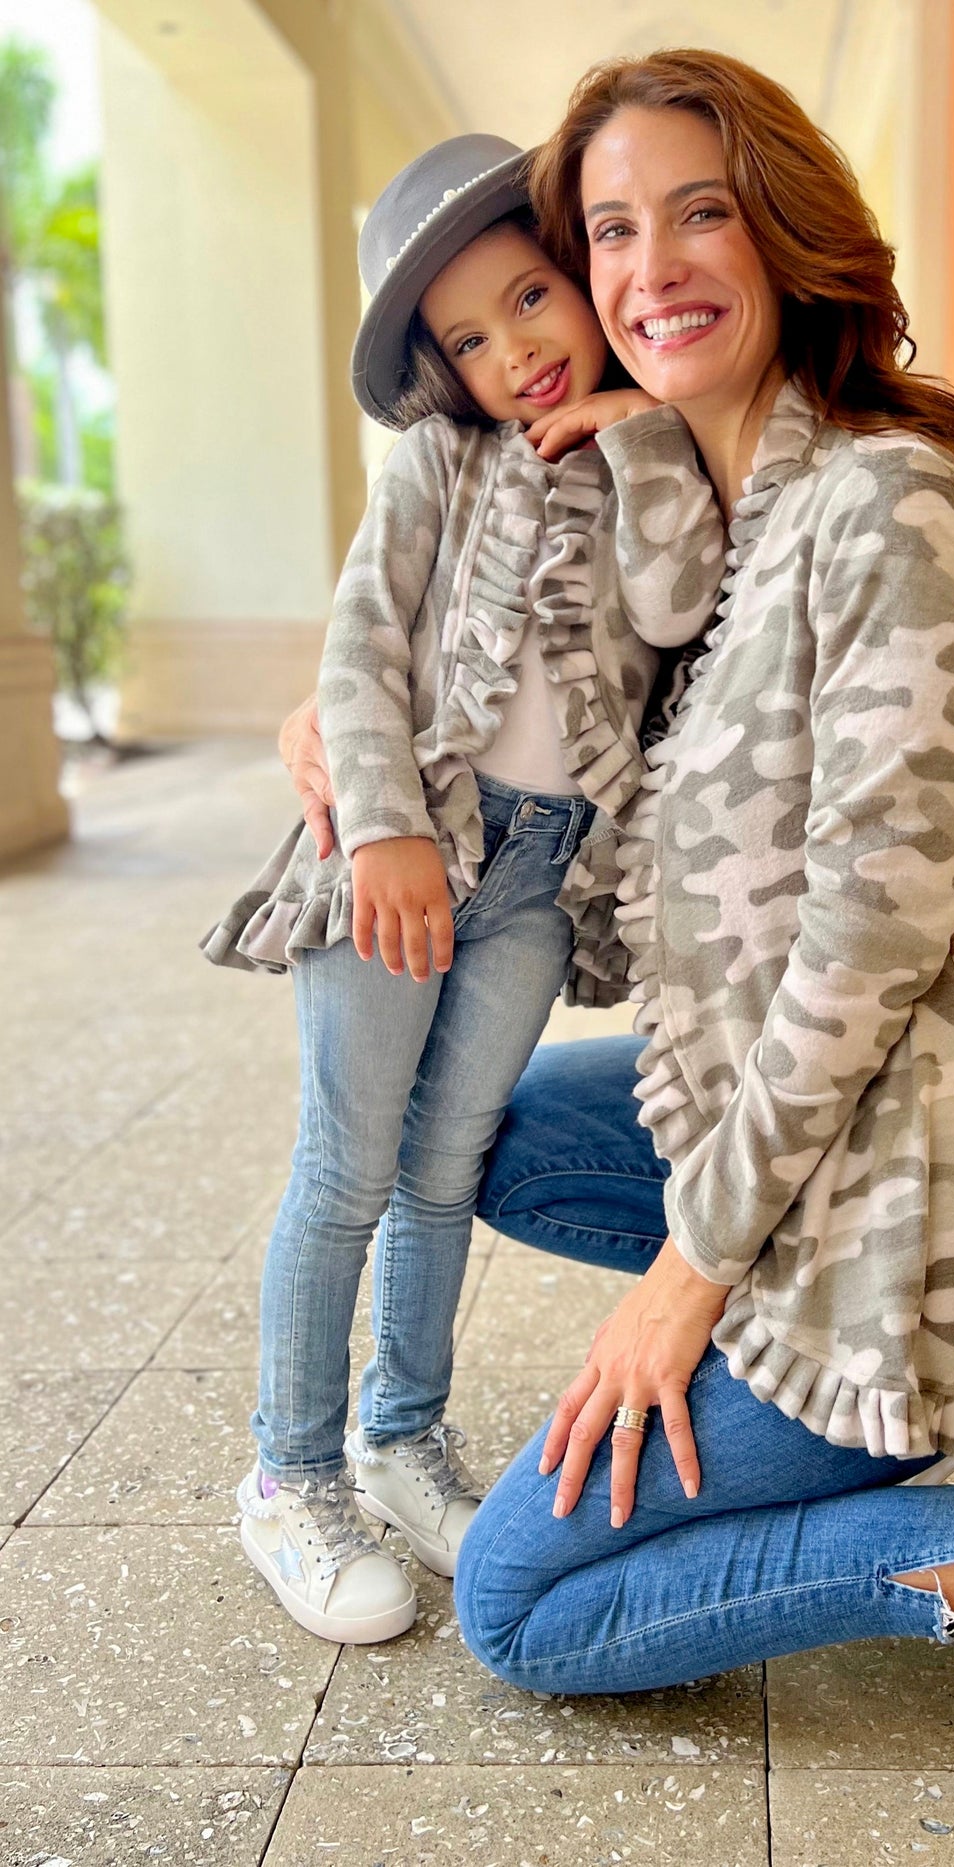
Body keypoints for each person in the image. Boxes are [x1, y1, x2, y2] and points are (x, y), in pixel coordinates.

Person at [280, 54, 954, 1822]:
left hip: (949, 1188)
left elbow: (865, 948)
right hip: (835, 1139)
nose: (652, 266)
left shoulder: (883, 504)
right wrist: (325, 727)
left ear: (782, 229)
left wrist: (684, 1289)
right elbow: (503, 675)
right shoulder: (707, 520)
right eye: (612, 232)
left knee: (526, 1604)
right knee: (505, 1140)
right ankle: (834, 1411)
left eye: (702, 211)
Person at [203, 131, 723, 1646]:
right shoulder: (439, 463)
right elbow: (361, 645)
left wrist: (641, 433)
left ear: (581, 276)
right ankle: (290, 1477)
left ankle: (401, 1436)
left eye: (533, 300)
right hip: (408, 850)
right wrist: (381, 830)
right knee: (346, 1169)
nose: (517, 352)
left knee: (446, 1172)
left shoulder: (655, 463)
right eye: (472, 340)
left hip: (545, 876)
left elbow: (680, 602)